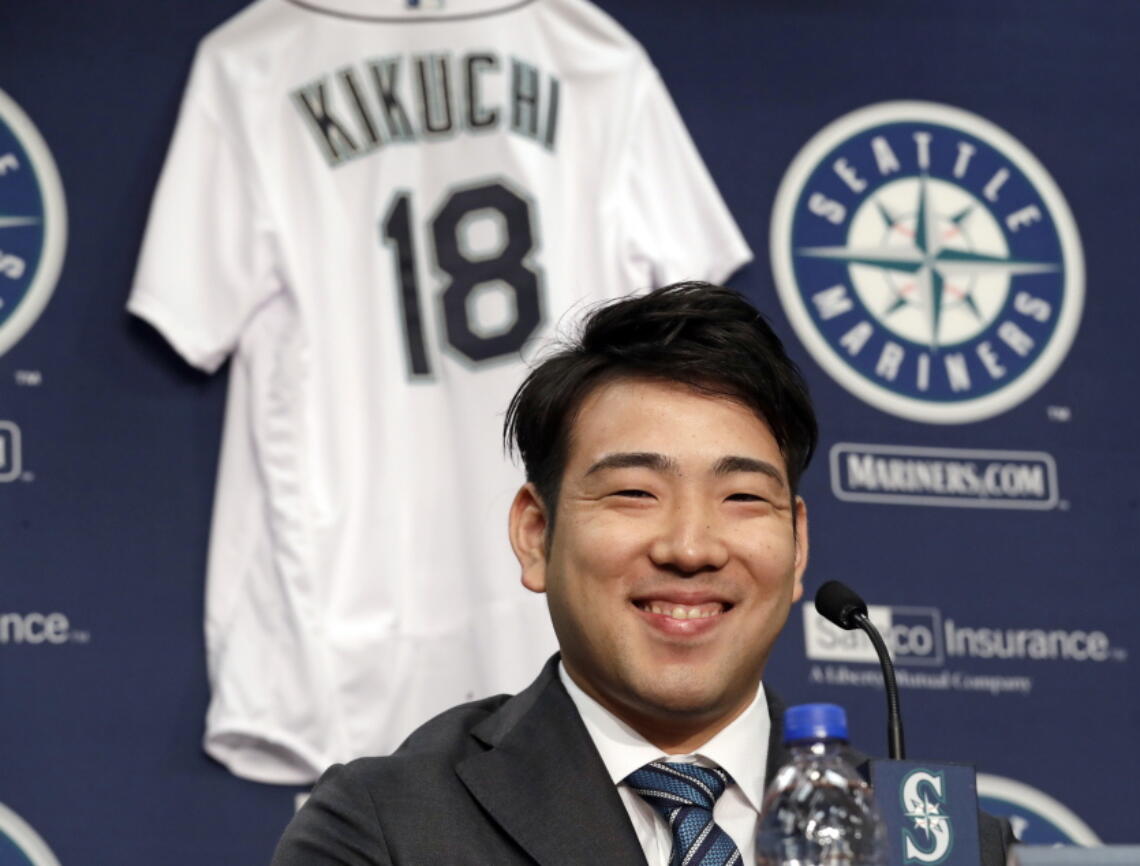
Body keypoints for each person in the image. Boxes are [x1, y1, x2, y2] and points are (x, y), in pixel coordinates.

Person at [271, 281, 1011, 865]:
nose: (691, 547)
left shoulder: (940, 846)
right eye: (634, 493)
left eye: (743, 497)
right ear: (536, 535)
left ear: (797, 547)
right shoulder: (389, 828)